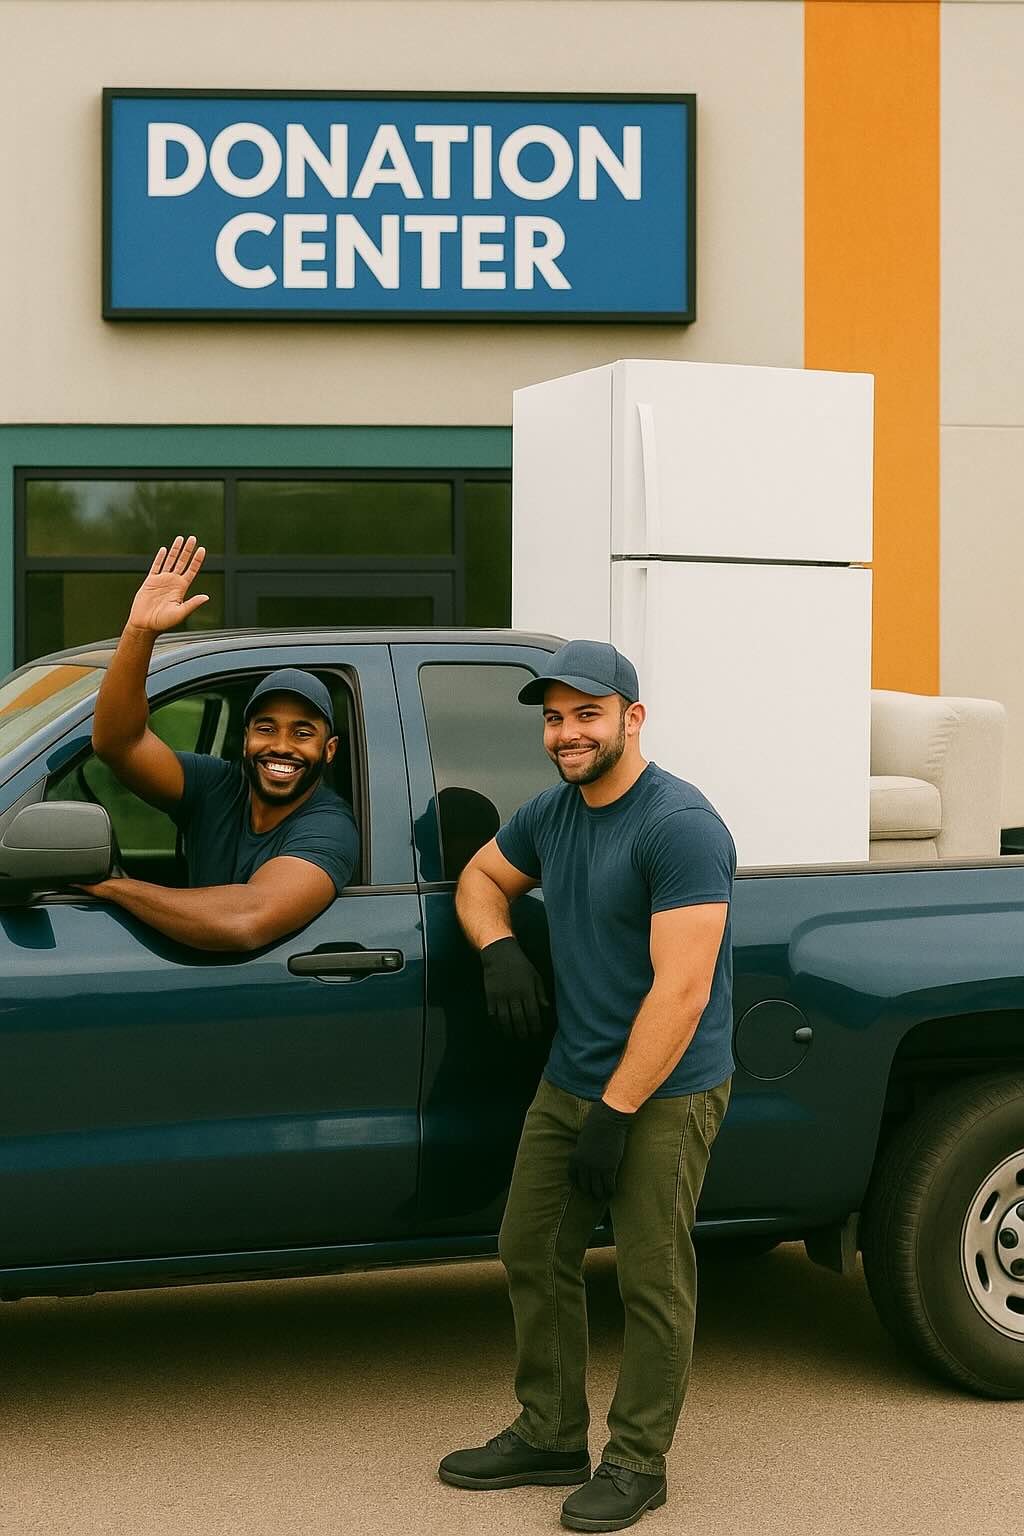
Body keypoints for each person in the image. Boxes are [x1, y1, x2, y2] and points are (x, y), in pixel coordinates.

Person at [439, 639, 735, 1533]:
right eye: (554, 718)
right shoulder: (553, 813)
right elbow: (482, 875)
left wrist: (616, 1111)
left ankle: (639, 1461)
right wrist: (497, 947)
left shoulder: (678, 824)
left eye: (586, 715)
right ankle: (551, 1431)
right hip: (572, 1075)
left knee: (651, 1276)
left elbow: (682, 992)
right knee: (530, 1245)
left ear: (631, 719)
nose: (567, 734)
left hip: (665, 1089)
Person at [80, 534, 358, 950]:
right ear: (245, 738)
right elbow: (118, 743)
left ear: (329, 750)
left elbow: (245, 920)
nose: (281, 746)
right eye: (266, 728)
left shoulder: (329, 828)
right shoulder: (217, 787)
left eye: (303, 733)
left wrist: (116, 887)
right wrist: (139, 631)